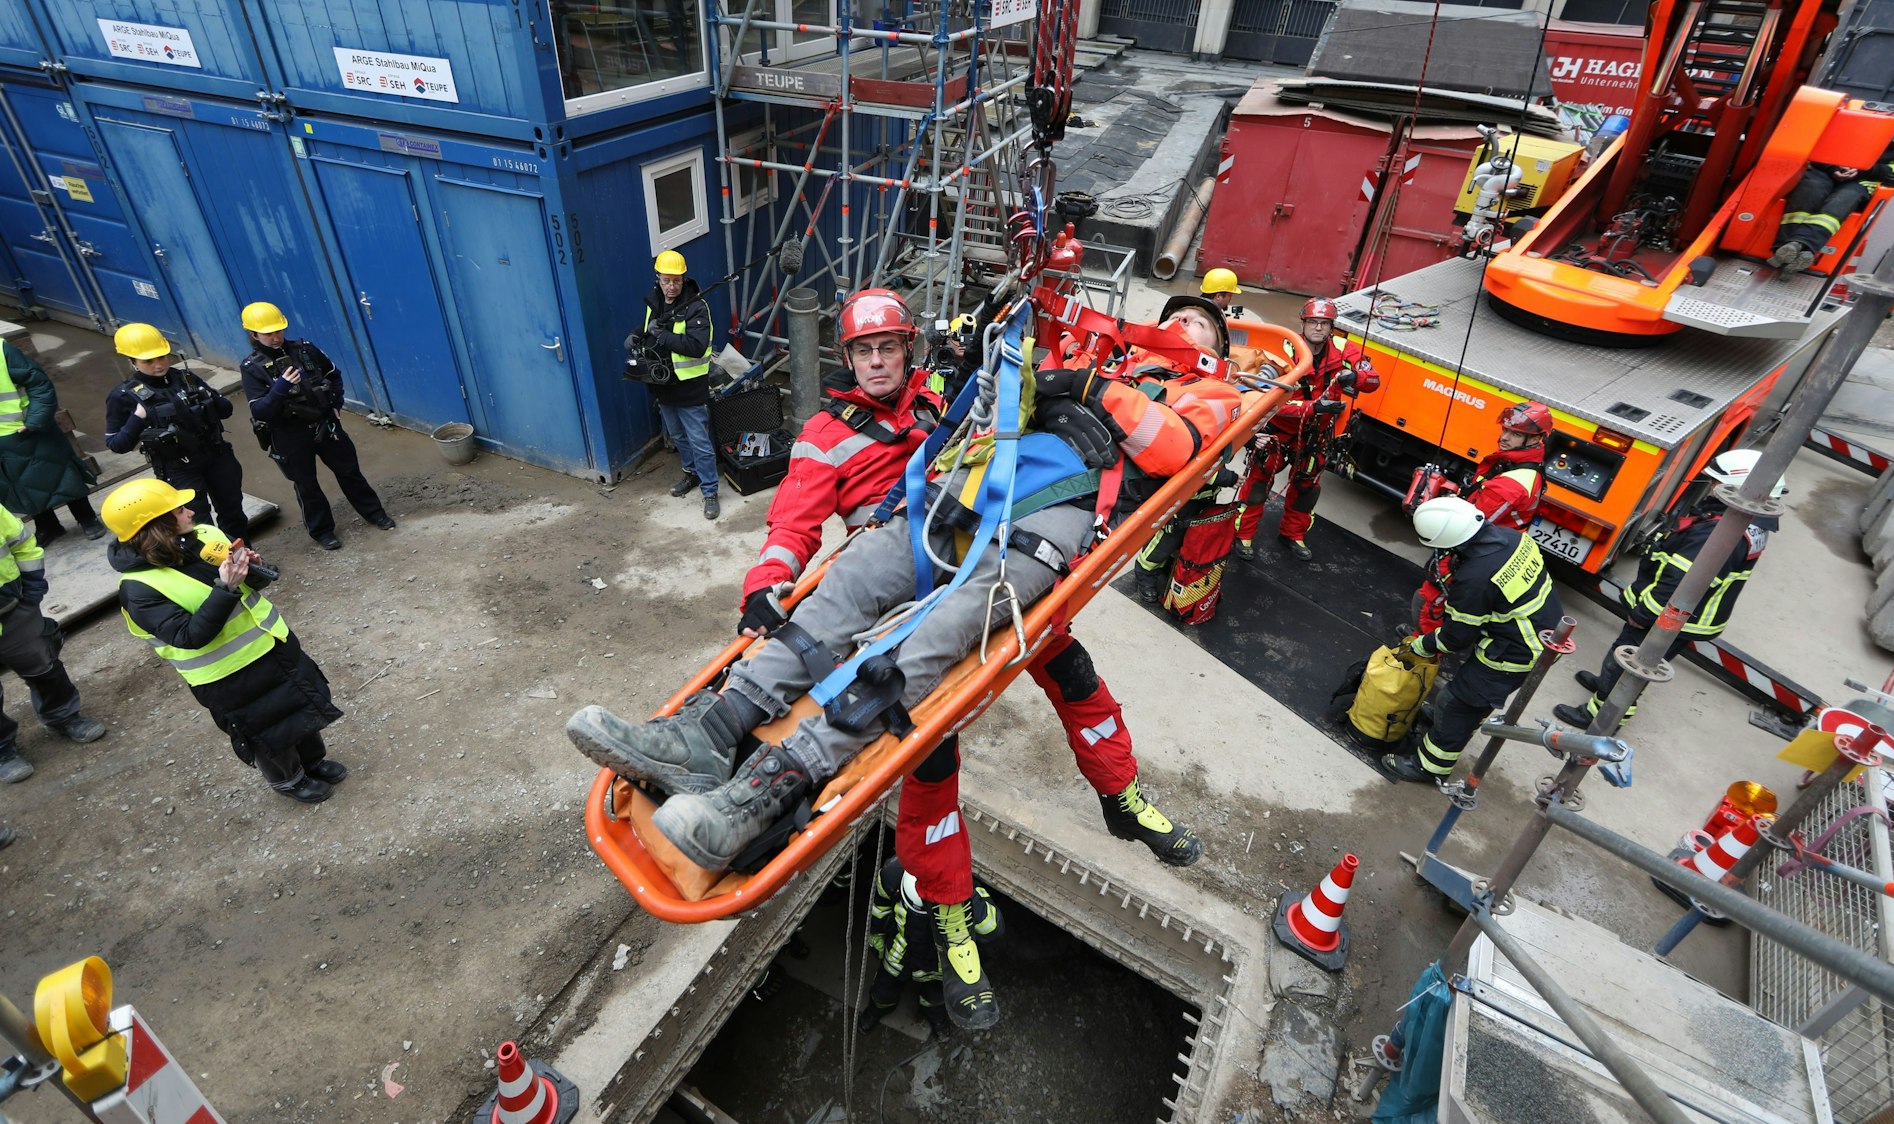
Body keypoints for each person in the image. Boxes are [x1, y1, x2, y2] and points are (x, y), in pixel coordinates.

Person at [568, 293, 1241, 1026]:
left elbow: (1173, 447)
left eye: (1200, 323)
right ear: (849, 358)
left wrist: (1073, 383)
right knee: (852, 599)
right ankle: (706, 735)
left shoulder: (1195, 387)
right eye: (867, 350)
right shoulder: (838, 431)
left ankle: (1102, 808)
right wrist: (767, 581)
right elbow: (796, 511)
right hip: (952, 500)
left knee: (957, 663)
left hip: (1038, 513)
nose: (1181, 325)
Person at [105, 478, 347, 803]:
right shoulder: (138, 589)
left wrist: (257, 569)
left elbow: (250, 587)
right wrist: (226, 588)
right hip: (228, 676)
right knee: (266, 731)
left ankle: (312, 762)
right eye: (179, 509)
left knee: (299, 705)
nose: (190, 511)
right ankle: (290, 780)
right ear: (158, 525)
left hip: (271, 644)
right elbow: (187, 637)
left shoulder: (205, 536)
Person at [1553, 450, 1783, 731]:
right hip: (1689, 616)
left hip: (1671, 618)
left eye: (1716, 482)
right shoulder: (1746, 525)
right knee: (1628, 660)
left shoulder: (1715, 533)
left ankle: (1603, 717)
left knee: (1630, 662)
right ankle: (1606, 689)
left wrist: (1643, 614)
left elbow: (1678, 585)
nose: (1711, 486)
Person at [1381, 495, 1562, 785]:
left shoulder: (1475, 579)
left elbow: (1456, 637)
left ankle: (1429, 767)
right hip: (1543, 630)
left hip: (1515, 652)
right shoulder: (1512, 538)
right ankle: (1457, 724)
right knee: (1468, 702)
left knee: (1456, 703)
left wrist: (1420, 645)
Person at [1767, 79, 1894, 274]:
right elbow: (1831, 142)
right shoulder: (1879, 116)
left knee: (1840, 203)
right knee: (1809, 191)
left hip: (1863, 181)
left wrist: (1863, 170)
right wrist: (1833, 167)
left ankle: (1797, 248)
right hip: (1827, 168)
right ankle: (1793, 249)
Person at [238, 302, 394, 551]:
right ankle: (322, 531)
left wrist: (336, 402)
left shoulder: (305, 350)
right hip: (290, 434)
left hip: (325, 424)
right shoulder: (252, 367)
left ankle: (375, 513)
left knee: (349, 472)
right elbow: (260, 410)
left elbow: (333, 375)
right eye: (268, 334)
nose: (276, 337)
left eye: (279, 331)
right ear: (253, 334)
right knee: (306, 484)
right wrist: (280, 388)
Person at [1233, 297, 1360, 561]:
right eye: (1313, 322)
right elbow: (1266, 400)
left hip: (1315, 437)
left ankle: (1293, 534)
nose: (1318, 328)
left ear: (1331, 327)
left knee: (1306, 489)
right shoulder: (1283, 351)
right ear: (1303, 323)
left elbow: (1372, 379)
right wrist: (1313, 408)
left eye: (1324, 323)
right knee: (1258, 484)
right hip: (1279, 432)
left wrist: (1357, 377)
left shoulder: (1342, 349)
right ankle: (1243, 534)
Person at [1412, 400, 1552, 631]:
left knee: (1432, 598)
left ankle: (1423, 653)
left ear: (1535, 439)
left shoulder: (1511, 484)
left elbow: (1468, 526)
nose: (1505, 437)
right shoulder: (1516, 464)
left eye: (1515, 433)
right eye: (1505, 429)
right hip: (1496, 543)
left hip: (1480, 549)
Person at [104, 324, 250, 543]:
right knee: (198, 523)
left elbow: (226, 410)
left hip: (216, 455)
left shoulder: (186, 378)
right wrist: (138, 417)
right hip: (179, 468)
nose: (158, 365)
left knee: (233, 511)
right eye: (148, 361)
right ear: (131, 361)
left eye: (162, 357)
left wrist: (207, 397)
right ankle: (215, 570)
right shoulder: (124, 396)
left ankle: (245, 560)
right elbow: (117, 444)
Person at [0, 506, 108, 784]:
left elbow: (20, 542)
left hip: (13, 611)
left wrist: (32, 590)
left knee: (44, 666)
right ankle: (3, 749)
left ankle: (64, 717)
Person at [862, 855, 1002, 1035]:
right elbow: (879, 909)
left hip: (945, 961)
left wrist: (965, 892)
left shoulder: (964, 887)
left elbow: (993, 928)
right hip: (900, 952)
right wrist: (877, 937)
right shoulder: (892, 874)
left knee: (936, 996)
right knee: (884, 989)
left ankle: (933, 1013)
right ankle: (877, 1009)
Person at [627, 250, 720, 520]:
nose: (671, 286)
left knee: (699, 441)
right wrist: (636, 335)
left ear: (683, 279)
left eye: (676, 281)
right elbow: (647, 326)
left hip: (690, 388)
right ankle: (691, 475)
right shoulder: (654, 300)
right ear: (658, 278)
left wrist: (663, 335)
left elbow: (696, 346)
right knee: (678, 436)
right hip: (662, 385)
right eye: (667, 280)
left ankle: (710, 490)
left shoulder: (696, 306)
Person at [0, 340, 106, 545]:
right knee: (20, 486)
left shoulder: (2, 350)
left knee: (63, 474)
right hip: (7, 439)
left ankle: (86, 518)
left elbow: (38, 383)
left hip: (28, 430)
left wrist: (36, 420)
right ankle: (48, 526)